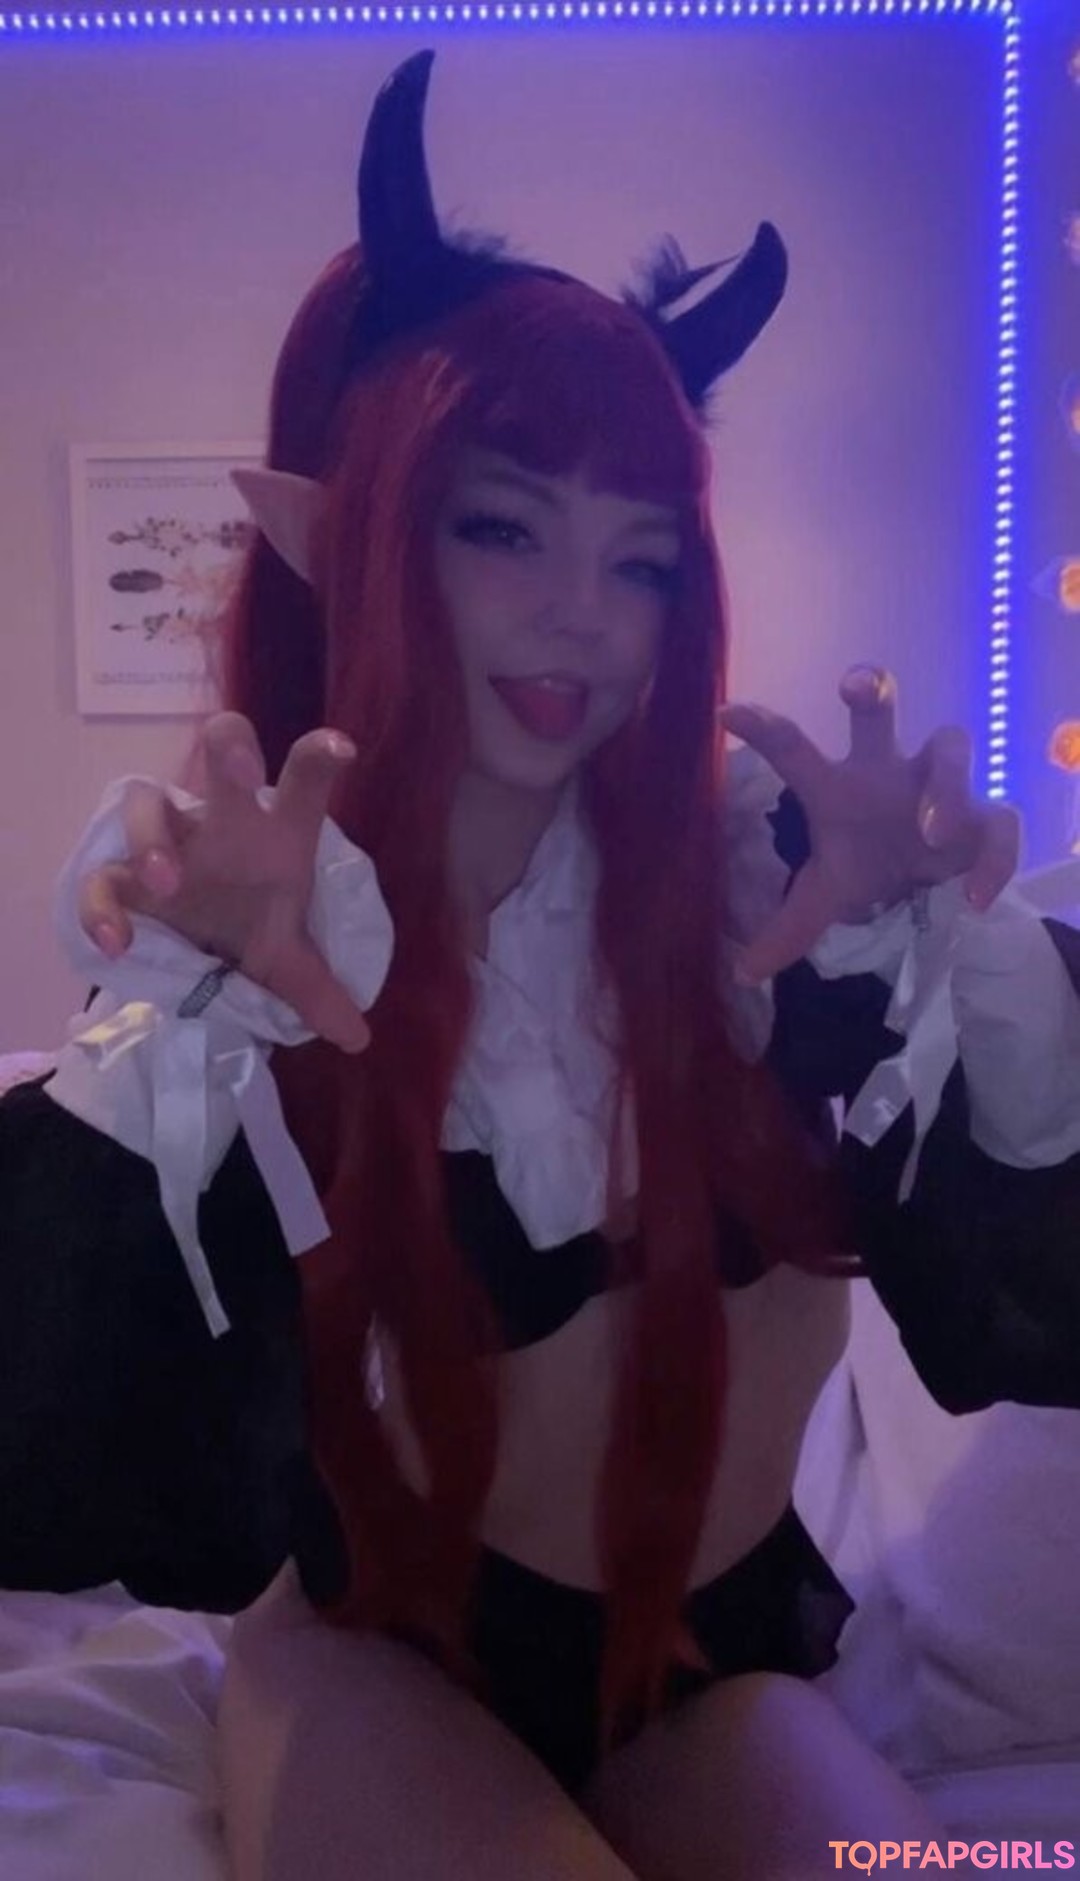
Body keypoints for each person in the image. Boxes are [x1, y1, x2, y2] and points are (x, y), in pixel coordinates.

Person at [3, 49, 1079, 1881]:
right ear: (338, 533)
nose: (582, 610)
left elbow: (1020, 1306)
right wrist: (188, 1025)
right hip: (382, 1659)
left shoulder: (772, 896)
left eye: (642, 557)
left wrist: (958, 958)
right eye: (503, 525)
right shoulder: (261, 919)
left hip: (708, 1665)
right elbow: (70, 1444)